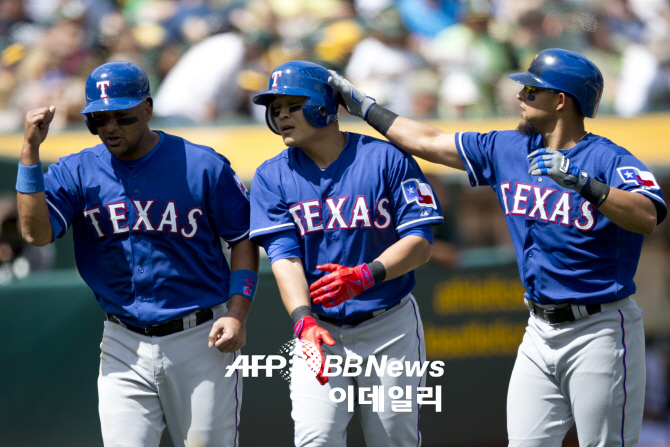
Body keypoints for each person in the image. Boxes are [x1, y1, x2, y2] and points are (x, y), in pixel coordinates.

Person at [328, 48, 667, 447]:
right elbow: (430, 141)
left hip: (601, 328)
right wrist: (366, 108)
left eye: (531, 90)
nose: (520, 97)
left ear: (561, 101)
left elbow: (646, 215)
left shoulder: (608, 158)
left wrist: (583, 184)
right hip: (538, 329)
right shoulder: (508, 148)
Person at [16, 61, 259, 447]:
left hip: (200, 336)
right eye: (99, 119)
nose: (110, 127)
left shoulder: (201, 165)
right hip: (122, 340)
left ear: (146, 109)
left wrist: (237, 312)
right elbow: (36, 233)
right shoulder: (76, 171)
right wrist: (30, 152)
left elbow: (244, 238)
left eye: (122, 117)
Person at [248, 60, 444, 447]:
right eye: (275, 109)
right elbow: (283, 257)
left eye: (292, 104)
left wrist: (365, 275)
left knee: (393, 440)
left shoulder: (384, 158)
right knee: (315, 438)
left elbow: (421, 241)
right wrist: (302, 319)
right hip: (319, 329)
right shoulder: (272, 175)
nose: (282, 115)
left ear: (323, 105)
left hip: (388, 324)